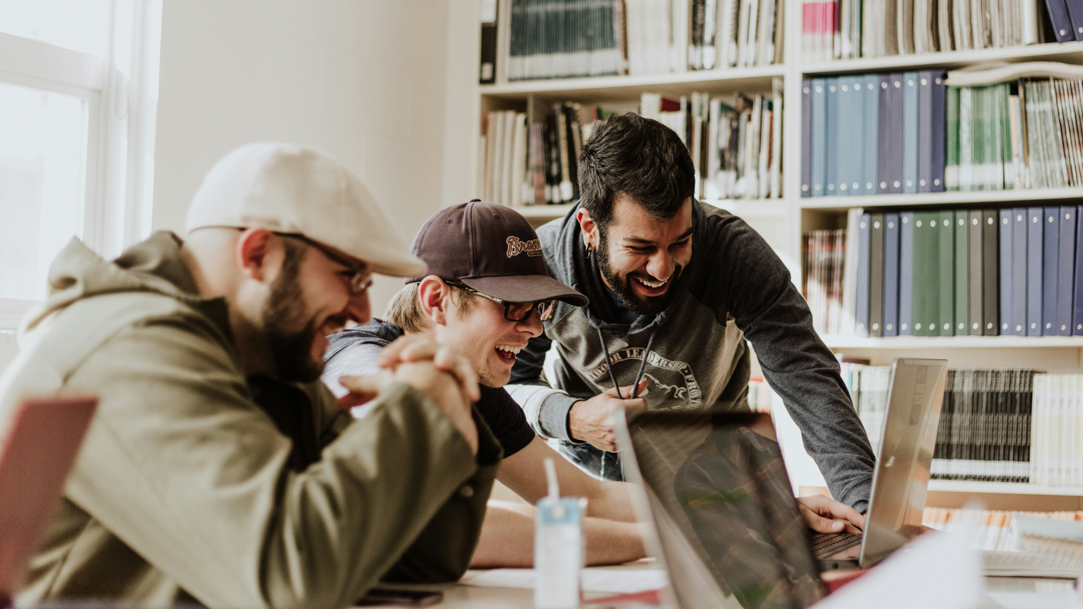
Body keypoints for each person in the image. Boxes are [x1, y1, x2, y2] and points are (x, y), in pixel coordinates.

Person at [0, 143, 501, 609]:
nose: (362, 309)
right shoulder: (131, 348)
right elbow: (287, 582)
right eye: (350, 276)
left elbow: (411, 562)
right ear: (258, 253)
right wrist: (418, 412)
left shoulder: (266, 360)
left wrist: (450, 414)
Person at [323, 200, 865, 569]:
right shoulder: (361, 363)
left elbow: (584, 496)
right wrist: (692, 538)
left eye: (540, 311)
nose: (535, 329)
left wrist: (755, 510)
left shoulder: (477, 389)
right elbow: (451, 526)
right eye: (513, 308)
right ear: (436, 300)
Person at [506, 113, 877, 520]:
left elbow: (809, 381)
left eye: (680, 242)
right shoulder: (542, 266)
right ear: (591, 227)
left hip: (714, 479)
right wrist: (571, 417)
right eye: (641, 247)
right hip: (590, 488)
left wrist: (865, 512)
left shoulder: (734, 254)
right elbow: (505, 388)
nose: (662, 269)